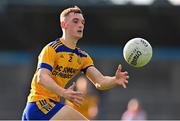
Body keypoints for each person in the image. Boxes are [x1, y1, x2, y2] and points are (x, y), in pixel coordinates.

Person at [22, 6, 129, 120]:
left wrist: (114, 80)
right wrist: (63, 92)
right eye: (75, 21)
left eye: (82, 22)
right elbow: (42, 77)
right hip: (39, 104)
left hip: (50, 108)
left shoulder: (82, 57)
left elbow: (100, 81)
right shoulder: (52, 49)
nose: (80, 25)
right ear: (64, 25)